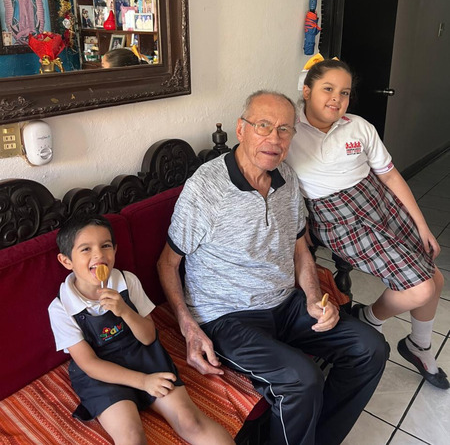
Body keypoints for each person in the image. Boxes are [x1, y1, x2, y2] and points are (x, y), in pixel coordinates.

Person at [158, 91, 389, 445]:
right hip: (227, 316)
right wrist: (188, 327)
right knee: (302, 380)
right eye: (263, 126)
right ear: (241, 129)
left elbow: (300, 249)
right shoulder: (206, 188)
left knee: (371, 348)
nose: (274, 139)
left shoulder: (287, 179)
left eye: (284, 129)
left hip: (285, 303)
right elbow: (167, 263)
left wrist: (313, 297)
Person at [286, 58, 448, 390]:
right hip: (338, 218)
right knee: (420, 288)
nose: (336, 98)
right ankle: (368, 318)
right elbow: (277, 183)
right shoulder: (289, 131)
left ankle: (419, 346)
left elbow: (389, 175)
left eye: (344, 92)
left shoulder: (358, 126)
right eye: (328, 88)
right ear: (307, 91)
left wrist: (422, 225)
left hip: (379, 202)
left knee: (436, 277)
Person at [48, 215, 234, 445]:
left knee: (190, 421)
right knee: (131, 435)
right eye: (86, 249)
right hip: (102, 374)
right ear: (66, 261)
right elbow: (89, 364)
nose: (99, 255)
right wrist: (144, 382)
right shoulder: (60, 307)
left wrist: (124, 311)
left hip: (142, 355)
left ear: (115, 250)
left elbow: (148, 337)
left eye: (105, 246)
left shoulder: (127, 281)